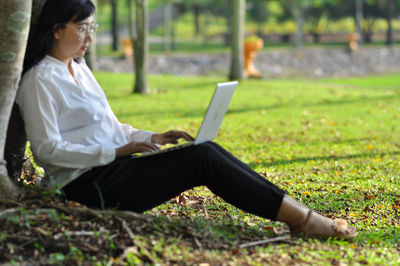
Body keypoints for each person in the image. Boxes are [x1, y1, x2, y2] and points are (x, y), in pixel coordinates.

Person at [16, 0, 356, 240]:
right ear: (57, 30)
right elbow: (47, 151)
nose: (90, 37)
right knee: (202, 159)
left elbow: (111, 127)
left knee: (207, 149)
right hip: (85, 185)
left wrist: (153, 137)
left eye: (94, 27)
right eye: (83, 28)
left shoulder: (79, 68)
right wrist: (117, 152)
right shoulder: (39, 80)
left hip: (113, 170)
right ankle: (305, 220)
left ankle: (301, 216)